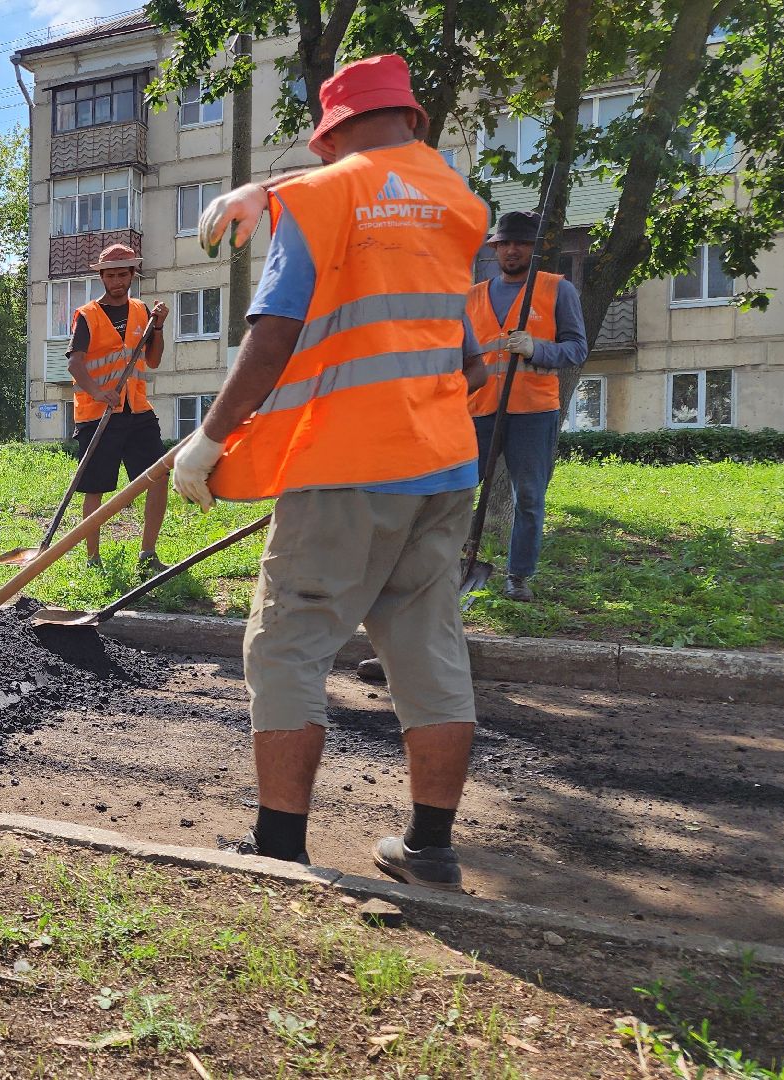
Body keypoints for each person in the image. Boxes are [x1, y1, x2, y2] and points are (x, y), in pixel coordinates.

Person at [169, 54, 491, 891]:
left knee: (286, 644)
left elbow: (272, 336)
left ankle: (278, 846)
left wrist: (207, 439)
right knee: (428, 647)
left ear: (333, 131)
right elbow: (472, 362)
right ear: (413, 121)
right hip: (446, 463)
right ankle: (431, 847)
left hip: (348, 466)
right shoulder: (460, 208)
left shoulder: (325, 196)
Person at [462, 210, 588, 602]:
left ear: (535, 249)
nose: (512, 250)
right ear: (495, 249)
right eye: (506, 244)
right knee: (456, 492)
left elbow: (577, 349)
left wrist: (537, 349)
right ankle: (449, 564)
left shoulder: (556, 289)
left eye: (521, 243)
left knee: (529, 497)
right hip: (478, 410)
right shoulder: (473, 297)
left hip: (533, 411)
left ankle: (518, 576)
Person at [64, 243, 171, 574]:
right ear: (101, 277)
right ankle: (93, 560)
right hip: (99, 416)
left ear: (131, 275)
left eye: (122, 274)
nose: (116, 281)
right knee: (95, 487)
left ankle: (148, 554)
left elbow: (152, 360)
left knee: (158, 477)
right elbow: (75, 365)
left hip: (137, 411)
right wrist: (98, 391)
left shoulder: (142, 311)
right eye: (109, 275)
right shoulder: (87, 316)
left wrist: (159, 327)